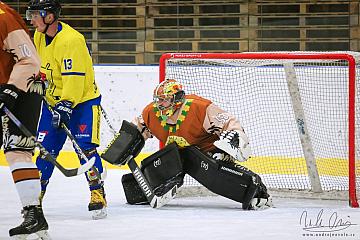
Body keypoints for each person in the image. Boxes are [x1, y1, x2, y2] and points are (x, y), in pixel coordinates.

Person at [115, 79, 273, 210]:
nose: (160, 104)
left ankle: (257, 192)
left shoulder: (199, 108)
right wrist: (122, 145)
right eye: (158, 100)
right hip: (176, 155)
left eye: (164, 99)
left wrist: (234, 139)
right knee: (165, 162)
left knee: (215, 173)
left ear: (177, 98)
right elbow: (136, 130)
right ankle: (141, 191)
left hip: (207, 152)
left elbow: (228, 122)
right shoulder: (150, 113)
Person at [26, 0, 107, 219]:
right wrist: (39, 80)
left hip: (81, 102)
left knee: (85, 150)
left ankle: (97, 192)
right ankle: (35, 198)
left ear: (50, 17)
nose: (31, 19)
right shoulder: (39, 35)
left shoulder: (72, 40)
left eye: (35, 15)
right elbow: (44, 66)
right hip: (53, 102)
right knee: (45, 151)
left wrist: (66, 104)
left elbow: (75, 79)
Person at [0, 1, 51, 238]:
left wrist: (10, 92)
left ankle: (33, 215)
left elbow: (30, 60)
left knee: (17, 150)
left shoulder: (2, 17)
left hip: (23, 87)